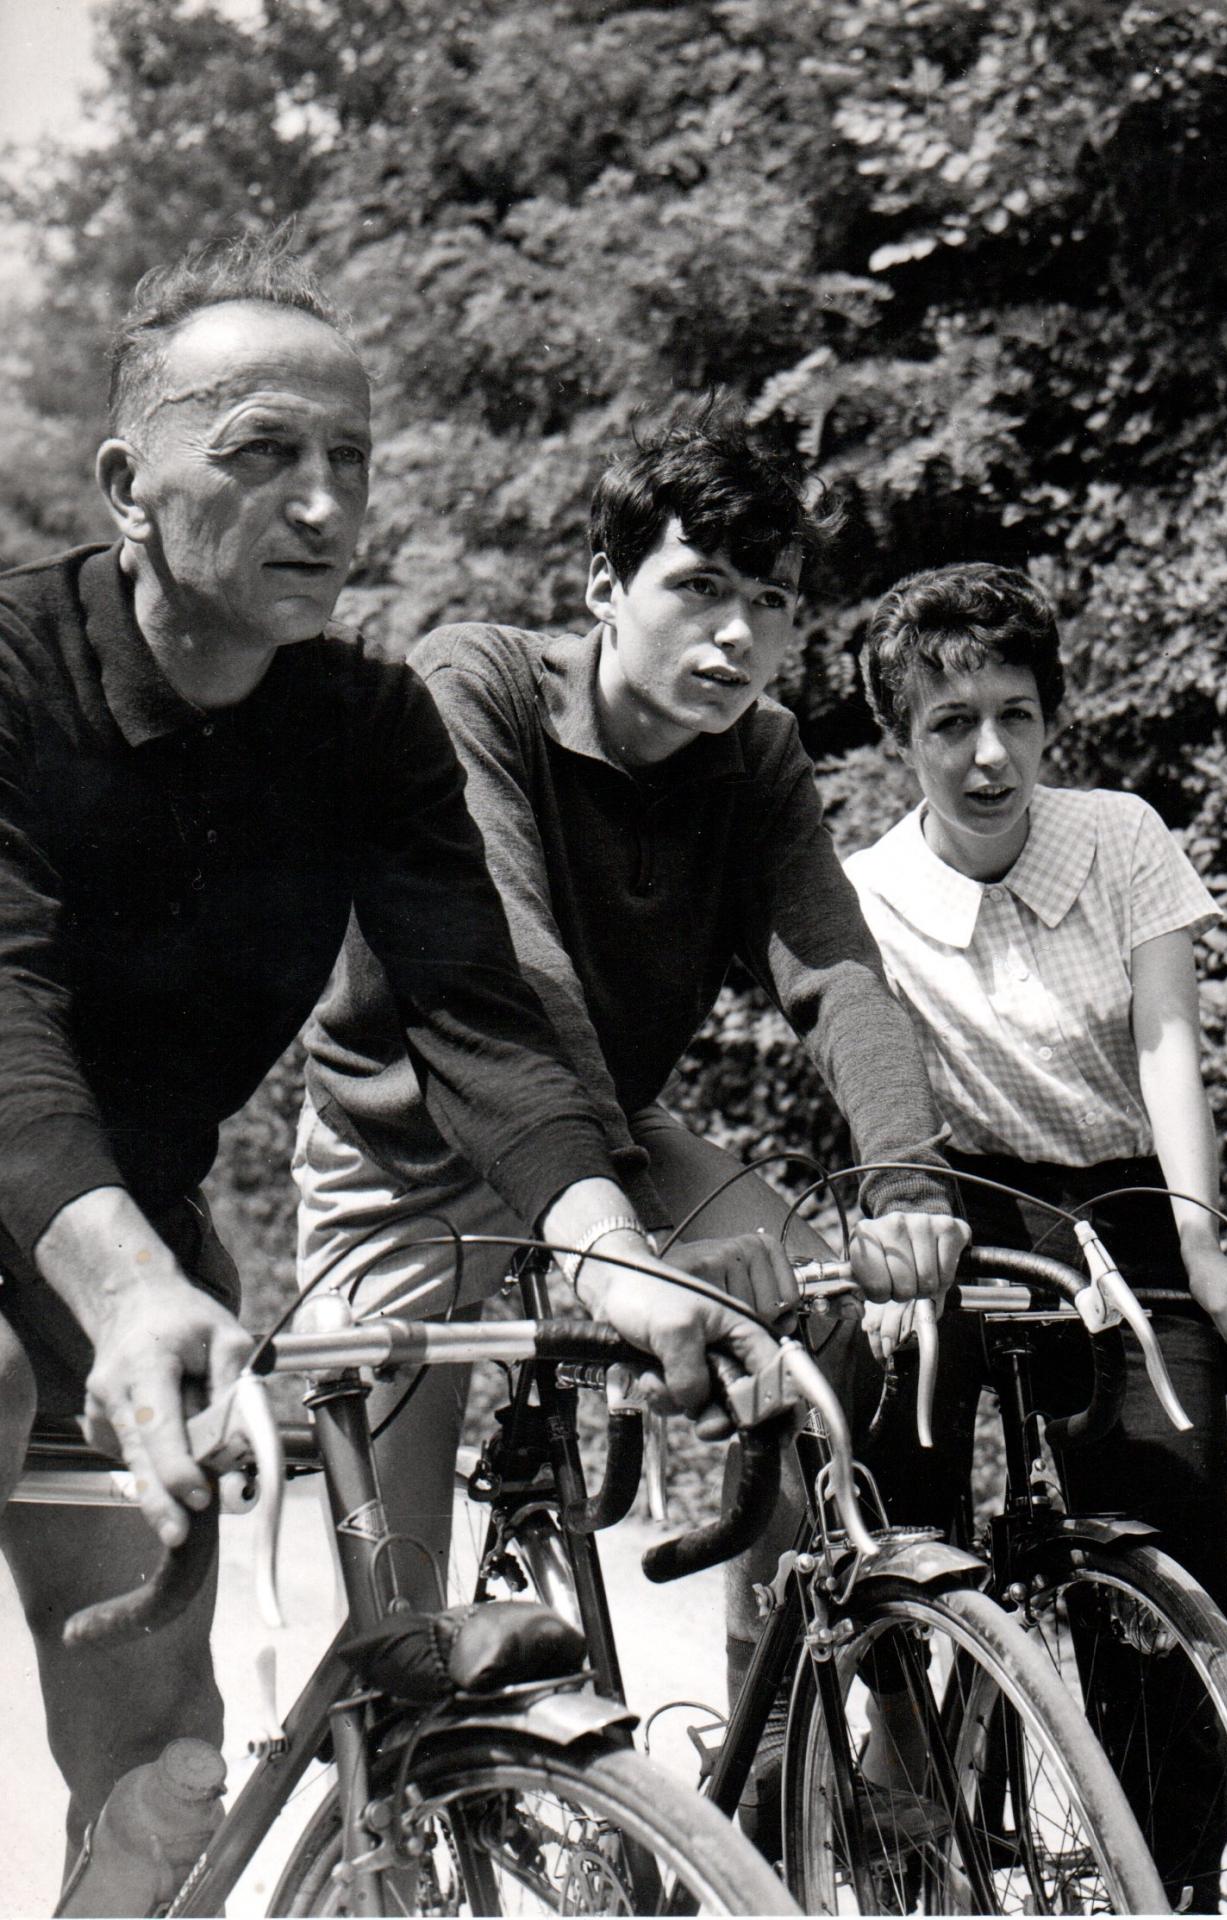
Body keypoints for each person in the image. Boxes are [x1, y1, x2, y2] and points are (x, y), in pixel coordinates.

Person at [0, 238, 780, 1867]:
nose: (320, 504)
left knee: (159, 1799)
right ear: (129, 484)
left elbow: (475, 1019)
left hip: (125, 1245)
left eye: (348, 460)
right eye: (263, 453)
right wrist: (131, 1289)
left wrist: (612, 1249)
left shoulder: (361, 726)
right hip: (80, 1256)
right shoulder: (12, 670)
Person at [294, 407, 970, 1755]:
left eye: (771, 603)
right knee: (398, 1612)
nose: (737, 637)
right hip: (406, 1155)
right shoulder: (475, 690)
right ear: (607, 590)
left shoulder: (758, 753)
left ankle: (765, 1725)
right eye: (699, 588)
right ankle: (387, 1834)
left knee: (823, 1333)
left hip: (612, 1130)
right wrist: (622, 1247)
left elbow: (835, 977)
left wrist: (902, 1187)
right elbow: (514, 972)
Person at [844, 562, 1227, 1595]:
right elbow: (882, 1094)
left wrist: (1201, 1244)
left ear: (1052, 719)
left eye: (1017, 715)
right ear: (901, 738)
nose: (990, 755)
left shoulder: (1120, 834)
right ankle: (903, 1712)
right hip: (971, 1213)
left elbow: (1168, 1052)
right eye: (950, 724)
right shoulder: (867, 894)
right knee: (892, 1478)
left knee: (1167, 1551)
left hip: (1134, 1207)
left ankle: (1149, 1742)